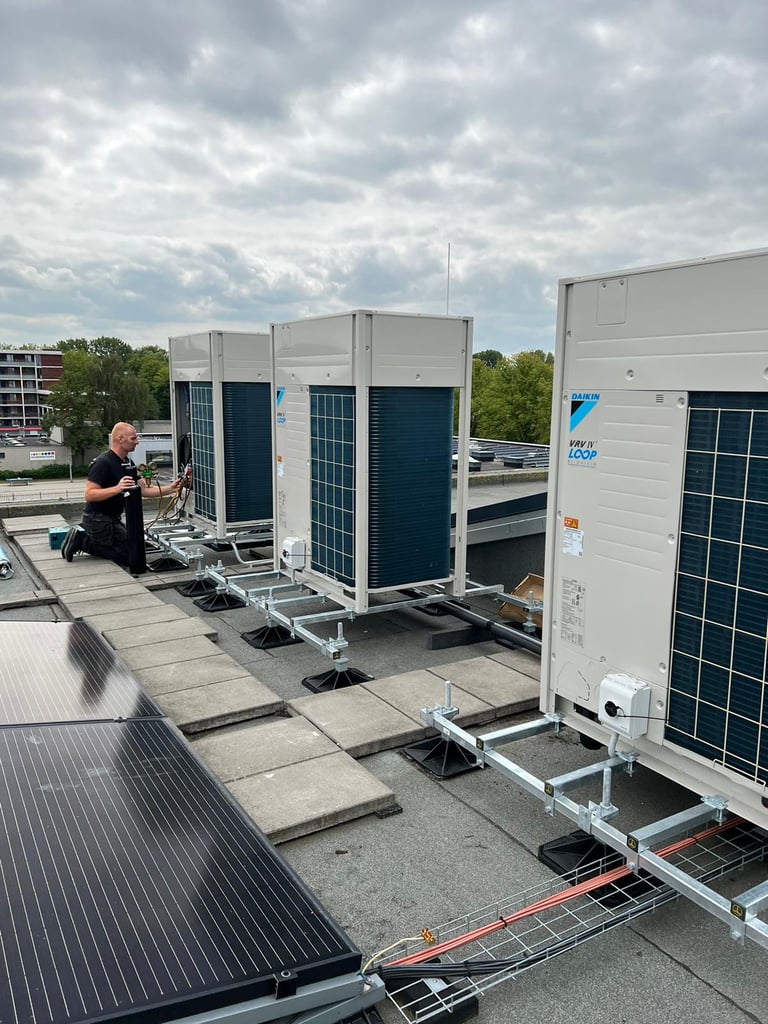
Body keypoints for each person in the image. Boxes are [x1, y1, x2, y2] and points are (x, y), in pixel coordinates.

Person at [62, 422, 181, 564]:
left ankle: (91, 538)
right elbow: (89, 494)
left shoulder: (128, 463)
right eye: (133, 438)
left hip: (112, 519)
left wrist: (171, 488)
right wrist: (118, 488)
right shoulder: (103, 463)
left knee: (137, 548)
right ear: (120, 439)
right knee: (127, 556)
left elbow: (143, 490)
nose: (137, 442)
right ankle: (82, 540)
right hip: (98, 520)